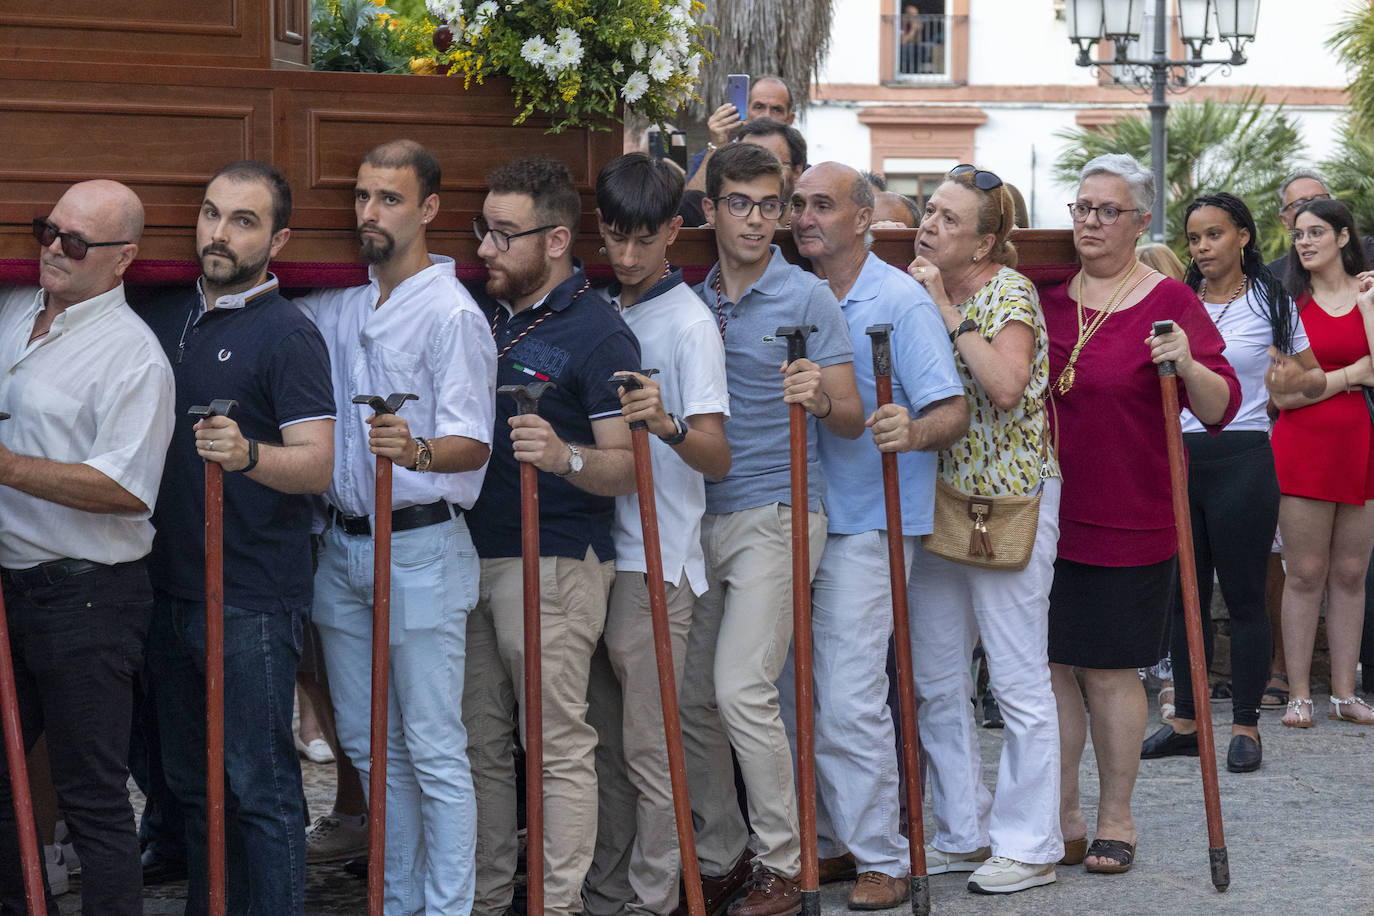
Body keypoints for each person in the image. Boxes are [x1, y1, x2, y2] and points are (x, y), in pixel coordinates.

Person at [297, 139, 496, 913]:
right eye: (362, 197)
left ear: (429, 210)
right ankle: (401, 899)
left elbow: (474, 439)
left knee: (434, 746)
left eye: (389, 199)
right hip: (344, 543)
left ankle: (445, 909)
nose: (370, 213)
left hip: (420, 544)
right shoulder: (346, 304)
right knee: (371, 747)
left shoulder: (452, 313)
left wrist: (412, 447)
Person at [138, 161, 335, 913]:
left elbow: (318, 465)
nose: (219, 234)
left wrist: (249, 454)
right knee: (192, 784)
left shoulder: (289, 334)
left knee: (262, 785)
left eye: (243, 221)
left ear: (278, 238)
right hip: (170, 584)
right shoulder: (166, 314)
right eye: (212, 214)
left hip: (251, 592)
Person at [677, 142, 864, 916]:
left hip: (780, 513)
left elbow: (852, 418)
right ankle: (723, 854)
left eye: (770, 205)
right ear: (712, 209)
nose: (758, 220)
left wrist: (820, 396)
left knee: (740, 688)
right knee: (691, 699)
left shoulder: (808, 299)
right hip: (697, 519)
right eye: (741, 204)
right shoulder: (693, 299)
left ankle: (786, 863)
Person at [1044, 154, 1240, 875]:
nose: (1090, 222)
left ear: (1140, 221)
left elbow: (1220, 408)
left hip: (1131, 512)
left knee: (1107, 670)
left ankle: (1115, 815)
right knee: (1051, 666)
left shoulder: (1170, 302)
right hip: (1041, 514)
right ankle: (1059, 813)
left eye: (1107, 211)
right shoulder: (1044, 293)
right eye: (1082, 208)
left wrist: (1188, 363)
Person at [783, 161, 965, 908]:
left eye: (821, 205)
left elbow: (950, 411)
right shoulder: (788, 293)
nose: (803, 218)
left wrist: (909, 428)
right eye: (797, 204)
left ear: (862, 219)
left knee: (851, 693)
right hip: (795, 514)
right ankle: (827, 840)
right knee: (793, 690)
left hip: (870, 520)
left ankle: (882, 854)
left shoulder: (899, 301)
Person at [878, 164, 1064, 893]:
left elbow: (1008, 386)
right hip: (938, 500)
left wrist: (948, 313)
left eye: (949, 219)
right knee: (935, 678)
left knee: (1017, 680)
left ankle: (1031, 843)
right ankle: (963, 828)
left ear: (985, 243)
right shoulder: (922, 287)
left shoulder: (1007, 292)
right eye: (930, 210)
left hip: (1009, 503)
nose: (929, 223)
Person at [463, 155, 639, 916]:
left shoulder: (600, 332)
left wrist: (565, 456)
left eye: (504, 235)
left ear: (558, 239)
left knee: (556, 744)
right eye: (483, 231)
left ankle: (556, 906)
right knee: (478, 744)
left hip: (558, 560)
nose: (485, 250)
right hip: (470, 552)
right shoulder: (486, 314)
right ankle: (488, 896)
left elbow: (628, 467)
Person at [0, 179, 175, 914]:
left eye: (74, 243)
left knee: (93, 796)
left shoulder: (136, 358)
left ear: (123, 258)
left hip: (89, 600)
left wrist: (5, 466)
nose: (53, 250)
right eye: (48, 230)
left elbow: (127, 488)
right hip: (11, 588)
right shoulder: (14, 310)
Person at [581, 152, 732, 916]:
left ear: (676, 230)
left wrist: (667, 424)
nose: (629, 255)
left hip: (658, 560)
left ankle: (655, 899)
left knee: (650, 750)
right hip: (601, 555)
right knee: (604, 750)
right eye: (615, 238)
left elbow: (716, 452)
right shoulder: (602, 308)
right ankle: (609, 895)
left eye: (644, 239)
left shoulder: (689, 324)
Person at [1140, 193, 1316, 773]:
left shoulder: (1272, 300)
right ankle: (1186, 719)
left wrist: (1279, 389)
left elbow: (1309, 377)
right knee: (1179, 597)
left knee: (1243, 597)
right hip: (1175, 456)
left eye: (1214, 234)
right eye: (1194, 238)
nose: (1202, 247)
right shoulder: (1177, 299)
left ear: (1242, 235)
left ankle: (1245, 724)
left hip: (1242, 454)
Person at [1267, 198, 1374, 727]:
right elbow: (1284, 396)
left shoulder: (1369, 293)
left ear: (1343, 236)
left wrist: (1369, 308)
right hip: (1302, 445)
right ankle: (1299, 695)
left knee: (1351, 573)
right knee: (1305, 571)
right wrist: (1354, 373)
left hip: (1361, 444)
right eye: (1298, 235)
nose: (1304, 242)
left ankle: (1344, 694)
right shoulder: (1289, 303)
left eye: (1315, 233)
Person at [680, 120, 807, 228]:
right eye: (746, 162)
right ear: (710, 210)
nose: (756, 173)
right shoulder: (706, 234)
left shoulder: (808, 233)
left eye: (772, 165)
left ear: (797, 172)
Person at [684, 75, 797, 185]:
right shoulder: (707, 159)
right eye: (759, 107)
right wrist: (717, 147)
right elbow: (693, 201)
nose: (766, 116)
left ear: (789, 119)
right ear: (745, 112)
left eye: (777, 110)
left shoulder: (798, 165)